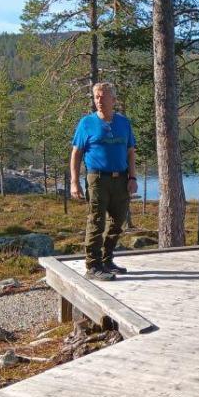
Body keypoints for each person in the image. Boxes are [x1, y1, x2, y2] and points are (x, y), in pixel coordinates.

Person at [70, 82, 138, 281]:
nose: (99, 101)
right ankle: (93, 265)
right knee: (96, 222)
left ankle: (107, 260)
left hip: (121, 178)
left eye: (103, 97)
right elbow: (76, 153)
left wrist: (132, 178)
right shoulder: (87, 123)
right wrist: (74, 182)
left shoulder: (123, 123)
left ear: (113, 100)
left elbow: (130, 152)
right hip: (97, 179)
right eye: (96, 97)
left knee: (118, 222)